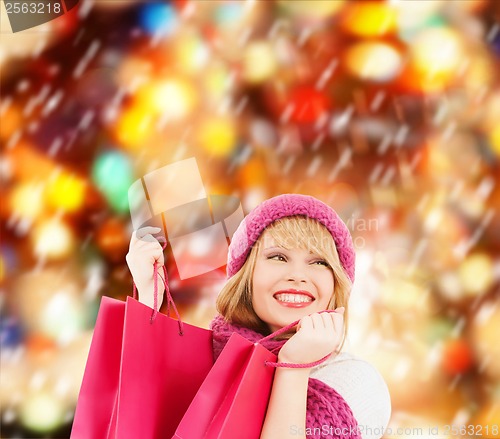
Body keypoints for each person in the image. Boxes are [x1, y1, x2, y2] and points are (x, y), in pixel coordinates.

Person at [126, 194, 391, 439]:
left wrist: (293, 366)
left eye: (319, 262)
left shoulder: (356, 381)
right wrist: (148, 301)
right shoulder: (206, 358)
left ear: (337, 283)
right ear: (246, 276)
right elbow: (138, 417)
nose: (298, 275)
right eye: (278, 257)